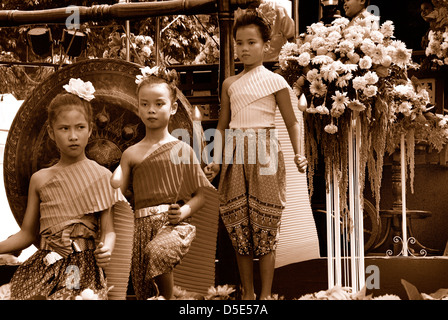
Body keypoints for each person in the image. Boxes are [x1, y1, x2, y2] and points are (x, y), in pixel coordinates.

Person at [203, 10, 315, 300]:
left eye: (251, 42)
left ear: (265, 45)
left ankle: (265, 296)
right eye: (239, 43)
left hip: (265, 152)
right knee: (239, 228)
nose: (244, 49)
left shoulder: (276, 82)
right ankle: (248, 295)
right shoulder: (230, 84)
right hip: (237, 154)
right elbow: (224, 124)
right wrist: (216, 159)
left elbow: (292, 121)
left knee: (265, 227)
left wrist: (298, 154)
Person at [0, 78, 133, 300]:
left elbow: (108, 229)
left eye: (80, 127)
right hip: (46, 265)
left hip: (82, 269)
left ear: (90, 130)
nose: (73, 135)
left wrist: (107, 247)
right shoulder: (39, 179)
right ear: (52, 133)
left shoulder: (101, 176)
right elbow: (27, 234)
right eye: (64, 128)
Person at [111, 66, 217, 300]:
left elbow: (201, 195)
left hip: (171, 223)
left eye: (159, 103)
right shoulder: (131, 153)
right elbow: (119, 194)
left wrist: (184, 211)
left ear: (173, 108)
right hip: (139, 228)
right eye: (145, 104)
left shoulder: (183, 150)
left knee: (157, 252)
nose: (151, 110)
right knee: (144, 290)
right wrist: (116, 174)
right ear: (137, 107)